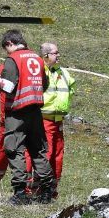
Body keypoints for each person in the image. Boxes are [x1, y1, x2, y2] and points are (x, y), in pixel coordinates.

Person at [0, 29, 54, 205]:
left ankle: (20, 193)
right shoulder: (37, 58)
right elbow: (45, 84)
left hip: (17, 112)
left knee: (14, 150)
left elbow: (9, 86)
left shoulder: (13, 59)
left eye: (6, 48)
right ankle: (47, 191)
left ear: (10, 43)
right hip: (35, 111)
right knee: (38, 150)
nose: (7, 52)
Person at [37, 42, 75, 198]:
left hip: (58, 121)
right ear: (45, 55)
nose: (58, 55)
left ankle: (52, 190)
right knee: (46, 154)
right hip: (44, 120)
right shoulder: (39, 71)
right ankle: (38, 189)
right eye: (55, 53)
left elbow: (70, 90)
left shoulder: (63, 72)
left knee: (58, 156)